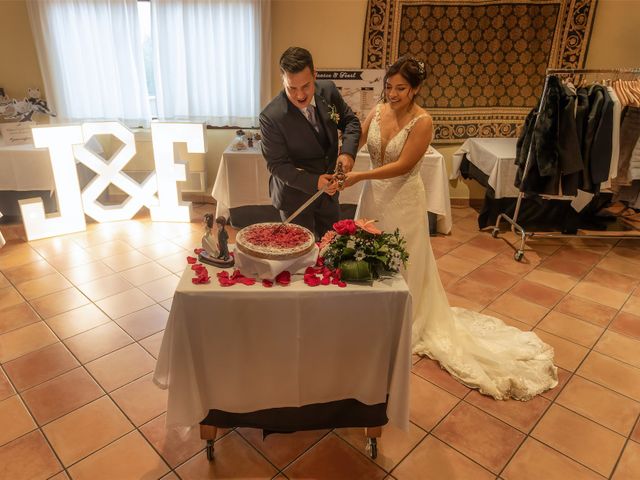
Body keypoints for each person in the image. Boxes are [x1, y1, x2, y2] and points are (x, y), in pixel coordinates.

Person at [341, 56, 558, 400]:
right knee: (367, 252)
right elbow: (358, 138)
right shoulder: (378, 109)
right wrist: (344, 159)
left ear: (415, 89)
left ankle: (402, 321)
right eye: (389, 87)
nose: (393, 94)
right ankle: (372, 311)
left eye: (401, 88)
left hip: (402, 200)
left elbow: (402, 166)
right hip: (373, 198)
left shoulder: (423, 122)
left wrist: (359, 176)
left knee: (405, 259)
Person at [260, 47, 361, 239]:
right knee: (298, 257)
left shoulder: (328, 90)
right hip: (294, 197)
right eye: (292, 88)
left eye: (306, 86)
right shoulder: (271, 117)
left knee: (331, 248)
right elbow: (277, 164)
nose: (300, 95)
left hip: (330, 195)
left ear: (314, 75)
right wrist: (314, 181)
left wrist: (347, 153)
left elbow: (351, 121)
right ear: (283, 80)